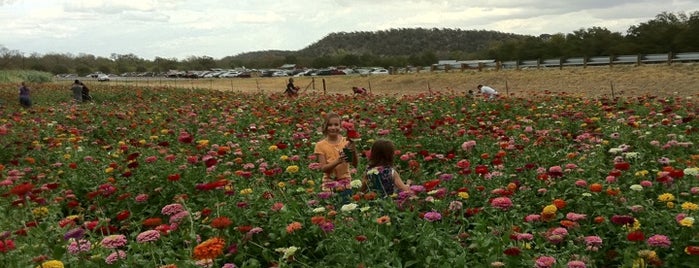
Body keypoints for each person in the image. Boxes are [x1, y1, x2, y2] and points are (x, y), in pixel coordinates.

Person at [314, 112, 358, 204]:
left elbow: (354, 164)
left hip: (345, 184)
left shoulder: (346, 141)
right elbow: (323, 168)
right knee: (332, 211)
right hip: (329, 185)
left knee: (346, 212)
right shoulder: (320, 145)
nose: (333, 127)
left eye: (336, 125)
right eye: (330, 125)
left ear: (340, 126)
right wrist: (338, 161)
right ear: (325, 126)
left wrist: (353, 150)